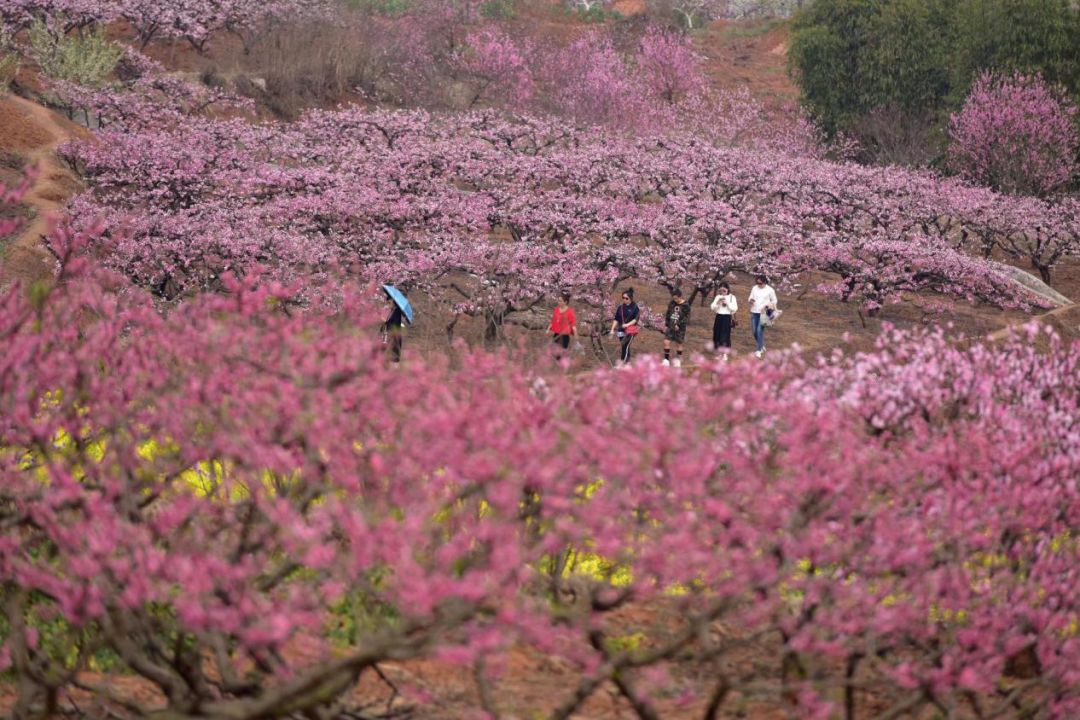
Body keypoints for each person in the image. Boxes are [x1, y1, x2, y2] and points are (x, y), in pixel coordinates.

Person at [748, 274, 778, 358]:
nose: (759, 285)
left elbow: (774, 300)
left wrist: (768, 305)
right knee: (754, 331)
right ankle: (761, 345)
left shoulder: (770, 290)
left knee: (759, 330)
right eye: (758, 283)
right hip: (754, 311)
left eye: (761, 283)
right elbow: (750, 297)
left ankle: (758, 350)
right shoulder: (754, 288)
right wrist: (750, 300)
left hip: (764, 313)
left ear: (765, 282)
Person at [609, 288, 640, 365]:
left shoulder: (635, 308)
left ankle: (622, 363)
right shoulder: (621, 307)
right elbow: (616, 319)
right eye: (623, 297)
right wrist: (612, 329)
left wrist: (627, 324)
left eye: (626, 298)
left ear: (631, 298)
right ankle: (627, 363)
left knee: (625, 345)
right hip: (621, 330)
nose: (624, 299)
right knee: (624, 346)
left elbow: (635, 320)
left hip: (630, 331)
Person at [663, 288, 690, 367]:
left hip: (680, 328)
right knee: (666, 342)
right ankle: (666, 360)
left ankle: (678, 360)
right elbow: (668, 312)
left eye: (676, 298)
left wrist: (679, 324)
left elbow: (686, 317)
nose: (675, 300)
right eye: (673, 298)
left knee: (679, 344)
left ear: (680, 296)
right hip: (671, 326)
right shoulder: (672, 303)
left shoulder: (686, 305)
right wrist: (667, 322)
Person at [709, 283, 737, 359]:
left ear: (727, 289)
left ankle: (724, 354)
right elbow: (712, 307)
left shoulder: (732, 297)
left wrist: (727, 303)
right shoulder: (718, 297)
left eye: (724, 289)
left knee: (724, 335)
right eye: (721, 289)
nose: (723, 291)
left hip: (727, 317)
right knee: (716, 334)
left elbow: (734, 309)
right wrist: (718, 303)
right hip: (719, 317)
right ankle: (719, 353)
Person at [383, 294, 406, 363]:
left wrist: (387, 322)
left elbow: (395, 324)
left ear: (394, 302)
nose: (388, 305)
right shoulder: (392, 311)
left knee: (392, 356)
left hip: (394, 336)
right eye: (387, 303)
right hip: (390, 336)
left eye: (389, 303)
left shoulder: (397, 311)